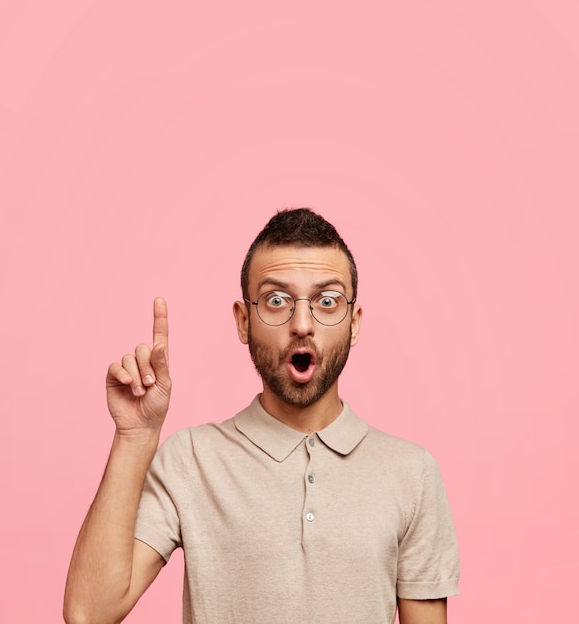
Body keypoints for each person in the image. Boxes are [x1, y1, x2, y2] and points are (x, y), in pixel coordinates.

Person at [64, 208, 459, 624]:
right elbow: (88, 613)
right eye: (276, 300)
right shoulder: (190, 459)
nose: (302, 324)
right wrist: (135, 435)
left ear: (354, 323)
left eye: (327, 301)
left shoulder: (412, 474)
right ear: (243, 320)